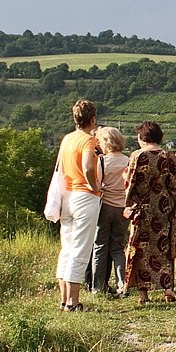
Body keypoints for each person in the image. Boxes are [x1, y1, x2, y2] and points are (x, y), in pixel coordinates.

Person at [123, 121, 176, 304]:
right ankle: (168, 289)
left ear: (142, 137)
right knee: (164, 248)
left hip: (144, 209)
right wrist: (175, 199)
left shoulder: (137, 156)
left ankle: (144, 295)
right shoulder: (167, 156)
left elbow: (130, 183)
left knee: (142, 250)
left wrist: (129, 203)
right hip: (164, 207)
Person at [55, 99, 102, 312]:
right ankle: (74, 302)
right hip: (84, 196)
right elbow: (87, 167)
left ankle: (64, 299)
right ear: (92, 119)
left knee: (67, 247)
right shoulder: (88, 141)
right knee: (81, 250)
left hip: (67, 195)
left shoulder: (67, 139)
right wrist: (95, 187)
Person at [90, 126, 129, 296]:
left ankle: (98, 286)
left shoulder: (102, 162)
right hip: (122, 208)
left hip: (105, 206)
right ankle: (122, 283)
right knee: (118, 247)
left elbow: (97, 185)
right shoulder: (128, 161)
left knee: (100, 246)